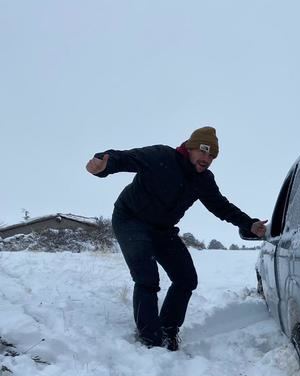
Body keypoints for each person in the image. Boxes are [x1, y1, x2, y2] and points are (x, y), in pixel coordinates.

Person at [86, 127, 267, 351]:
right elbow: (126, 158)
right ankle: (150, 338)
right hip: (131, 219)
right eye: (203, 151)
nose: (207, 159)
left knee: (186, 278)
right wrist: (104, 164)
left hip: (162, 228)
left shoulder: (203, 179)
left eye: (212, 156)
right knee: (147, 278)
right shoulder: (161, 156)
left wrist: (249, 224)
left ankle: (168, 329)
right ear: (190, 148)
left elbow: (221, 206)